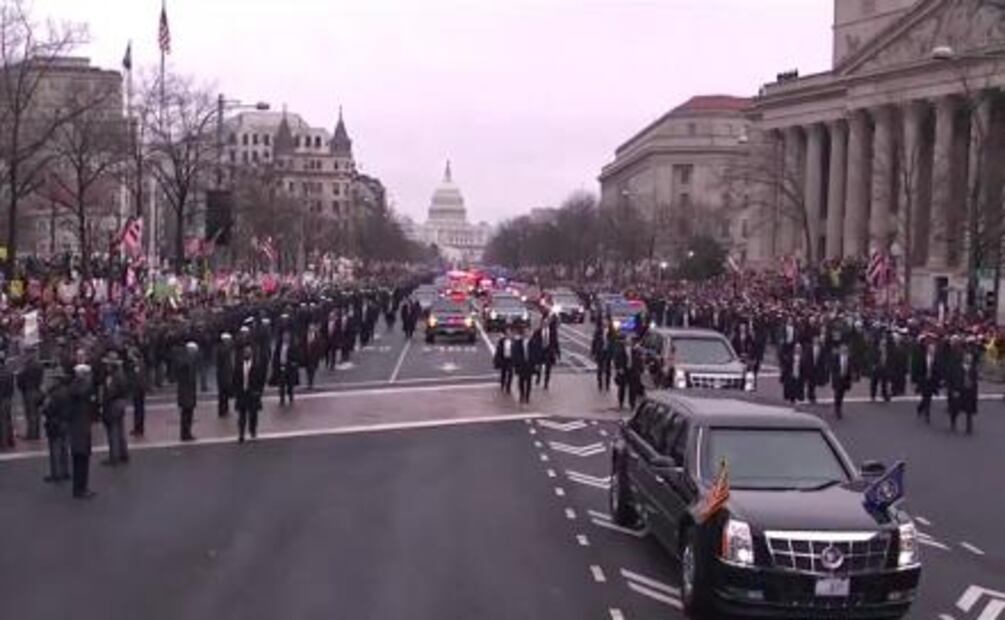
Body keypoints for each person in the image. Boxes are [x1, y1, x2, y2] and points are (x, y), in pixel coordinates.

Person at [68, 364, 96, 499]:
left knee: (80, 461)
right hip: (80, 429)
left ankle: (80, 488)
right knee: (81, 461)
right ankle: (81, 489)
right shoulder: (80, 390)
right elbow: (85, 391)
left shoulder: (74, 388)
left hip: (78, 429)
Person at [100, 352, 130, 466]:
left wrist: (104, 402)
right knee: (120, 429)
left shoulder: (112, 377)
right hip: (121, 403)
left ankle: (114, 456)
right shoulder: (121, 374)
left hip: (113, 405)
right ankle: (123, 453)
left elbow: (110, 392)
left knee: (113, 431)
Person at [42, 369, 71, 483]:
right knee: (64, 448)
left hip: (55, 423)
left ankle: (56, 473)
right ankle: (66, 471)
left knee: (55, 449)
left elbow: (48, 409)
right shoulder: (67, 391)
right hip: (66, 422)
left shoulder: (54, 394)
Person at [234, 342, 266, 443]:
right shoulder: (239, 364)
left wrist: (259, 392)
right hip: (242, 393)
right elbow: (235, 378)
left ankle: (252, 430)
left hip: (253, 393)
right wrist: (236, 391)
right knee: (241, 415)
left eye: (248, 352)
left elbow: (261, 379)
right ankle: (241, 433)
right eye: (245, 352)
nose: (247, 353)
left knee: (253, 414)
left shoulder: (257, 365)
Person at [947, 342, 979, 434]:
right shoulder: (956, 366)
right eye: (966, 357)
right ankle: (953, 421)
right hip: (958, 389)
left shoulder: (973, 368)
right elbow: (951, 378)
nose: (968, 358)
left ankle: (969, 426)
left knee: (969, 409)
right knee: (956, 408)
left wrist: (974, 389)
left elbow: (975, 380)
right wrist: (952, 390)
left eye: (970, 357)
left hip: (969, 390)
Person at [912, 336, 942, 424]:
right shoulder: (921, 356)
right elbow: (916, 367)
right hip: (923, 379)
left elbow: (938, 369)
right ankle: (926, 413)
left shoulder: (936, 358)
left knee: (928, 396)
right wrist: (915, 379)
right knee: (926, 396)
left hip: (932, 379)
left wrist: (939, 379)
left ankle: (921, 408)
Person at [17, 352, 44, 440]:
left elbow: (20, 378)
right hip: (37, 389)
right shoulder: (39, 365)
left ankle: (31, 434)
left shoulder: (26, 366)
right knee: (37, 414)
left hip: (29, 391)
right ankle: (36, 433)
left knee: (30, 414)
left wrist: (21, 387)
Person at [176, 342, 199, 442]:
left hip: (188, 391)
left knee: (188, 413)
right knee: (186, 414)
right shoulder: (185, 361)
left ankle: (187, 432)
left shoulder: (188, 360)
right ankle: (185, 433)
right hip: (186, 391)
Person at [272, 329, 299, 406]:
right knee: (281, 384)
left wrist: (294, 363)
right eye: (284, 336)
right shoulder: (279, 345)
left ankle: (291, 397)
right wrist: (275, 364)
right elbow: (276, 355)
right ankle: (282, 399)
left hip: (289, 368)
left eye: (287, 336)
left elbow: (296, 356)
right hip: (281, 366)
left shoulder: (293, 346)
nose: (285, 337)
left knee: (290, 384)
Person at [831, 342, 853, 419]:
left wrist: (850, 379)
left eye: (845, 350)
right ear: (840, 350)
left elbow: (850, 369)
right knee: (837, 394)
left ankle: (839, 406)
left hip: (845, 379)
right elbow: (833, 368)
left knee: (841, 395)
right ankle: (837, 409)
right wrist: (835, 377)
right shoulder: (836, 358)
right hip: (837, 379)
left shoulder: (849, 358)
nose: (844, 351)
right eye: (842, 349)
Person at [591, 320, 615, 392]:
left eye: (606, 322)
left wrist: (613, 353)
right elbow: (594, 341)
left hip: (608, 352)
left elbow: (614, 341)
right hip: (600, 352)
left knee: (608, 369)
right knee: (600, 368)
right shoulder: (598, 331)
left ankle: (607, 384)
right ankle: (600, 383)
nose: (605, 323)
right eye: (604, 322)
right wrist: (593, 352)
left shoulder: (611, 332)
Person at [216, 333, 235, 417]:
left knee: (225, 393)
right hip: (223, 374)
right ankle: (222, 410)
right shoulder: (222, 349)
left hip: (225, 373)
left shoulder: (222, 348)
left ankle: (225, 409)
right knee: (223, 393)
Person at [513, 330, 533, 404]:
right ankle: (522, 394)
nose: (527, 334)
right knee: (521, 381)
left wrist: (535, 363)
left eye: (528, 333)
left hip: (529, 364)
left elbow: (535, 353)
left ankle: (527, 396)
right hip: (521, 364)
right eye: (525, 333)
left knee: (529, 381)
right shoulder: (518, 343)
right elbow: (515, 353)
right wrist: (516, 363)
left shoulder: (532, 342)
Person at [494, 328, 515, 394]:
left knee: (511, 373)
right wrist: (497, 359)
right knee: (503, 373)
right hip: (504, 359)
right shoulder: (501, 341)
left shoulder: (513, 341)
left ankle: (508, 387)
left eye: (510, 333)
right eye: (507, 333)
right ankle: (502, 385)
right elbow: (498, 350)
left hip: (510, 359)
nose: (509, 335)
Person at [0, 356, 14, 449]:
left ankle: (3, 442)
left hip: (1, 399)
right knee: (8, 420)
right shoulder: (9, 372)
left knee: (2, 422)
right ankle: (10, 440)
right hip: (8, 398)